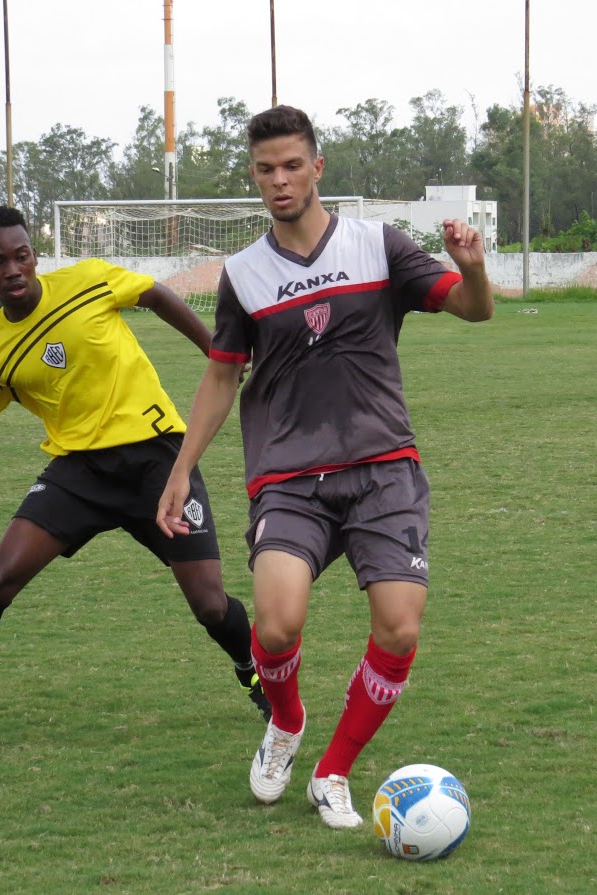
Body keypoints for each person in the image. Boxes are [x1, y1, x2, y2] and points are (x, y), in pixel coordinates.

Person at [155, 106, 494, 829]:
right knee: (276, 625)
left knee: (400, 627)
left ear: (317, 166)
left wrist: (473, 267)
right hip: (288, 473)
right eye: (264, 170)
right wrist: (182, 468)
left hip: (383, 466)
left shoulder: (378, 245)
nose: (278, 181)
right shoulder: (243, 275)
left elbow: (472, 309)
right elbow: (221, 377)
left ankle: (333, 770)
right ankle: (285, 722)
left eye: (290, 165)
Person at [0, 205, 269, 748]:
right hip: (78, 474)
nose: (13, 269)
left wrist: (217, 353)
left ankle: (256, 677)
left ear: (34, 254)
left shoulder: (87, 281)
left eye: (21, 256)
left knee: (210, 603)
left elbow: (155, 295)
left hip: (157, 462)